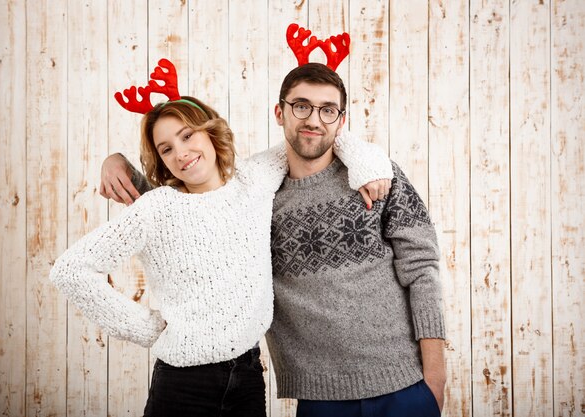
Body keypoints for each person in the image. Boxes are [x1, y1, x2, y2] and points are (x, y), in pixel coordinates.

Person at [52, 89, 393, 416]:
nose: (181, 153)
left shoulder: (253, 179)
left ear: (210, 132)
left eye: (187, 136)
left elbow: (311, 138)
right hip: (183, 384)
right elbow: (71, 270)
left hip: (247, 377)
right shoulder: (156, 208)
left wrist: (369, 166)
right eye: (166, 149)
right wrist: (148, 329)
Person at [266, 63, 446, 417]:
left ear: (341, 120)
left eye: (327, 110)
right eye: (301, 106)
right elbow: (195, 212)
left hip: (405, 386)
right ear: (279, 112)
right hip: (319, 396)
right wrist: (122, 164)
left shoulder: (379, 176)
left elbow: (422, 270)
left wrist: (435, 379)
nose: (313, 120)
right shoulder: (259, 199)